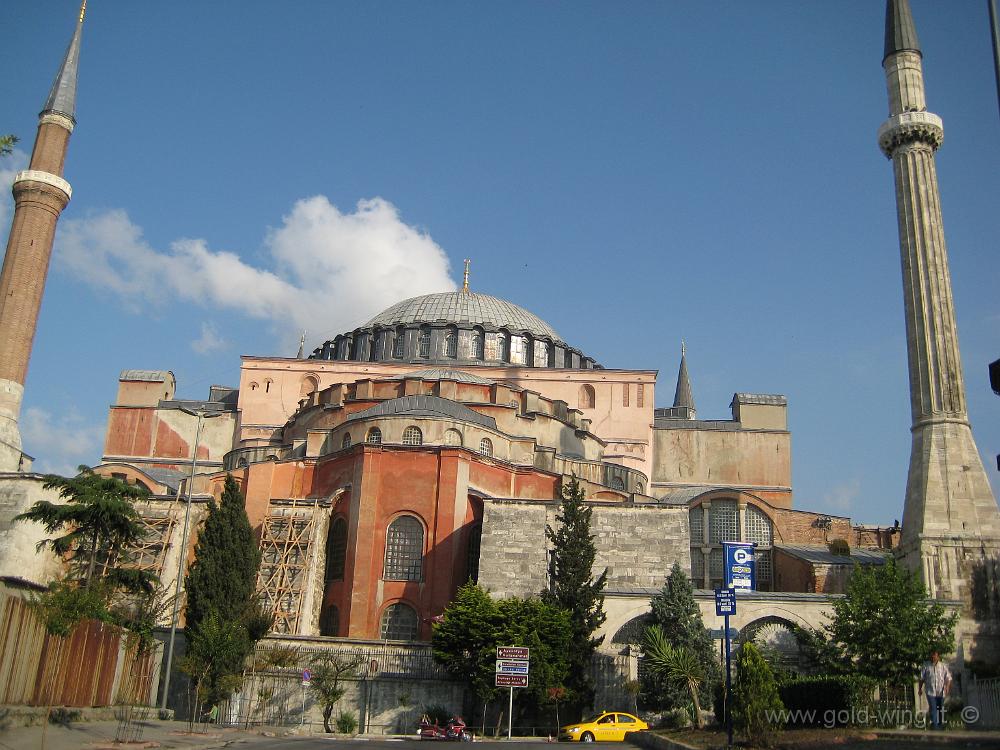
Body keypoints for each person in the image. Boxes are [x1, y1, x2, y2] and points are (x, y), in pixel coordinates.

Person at [918, 651, 951, 730]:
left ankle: (939, 726)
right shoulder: (926, 665)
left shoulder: (943, 666)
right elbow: (922, 678)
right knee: (933, 708)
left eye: (935, 656)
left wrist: (947, 687)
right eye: (932, 656)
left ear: (938, 657)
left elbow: (948, 678)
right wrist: (920, 689)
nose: (933, 657)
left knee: (939, 708)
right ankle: (935, 727)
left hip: (941, 692)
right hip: (930, 691)